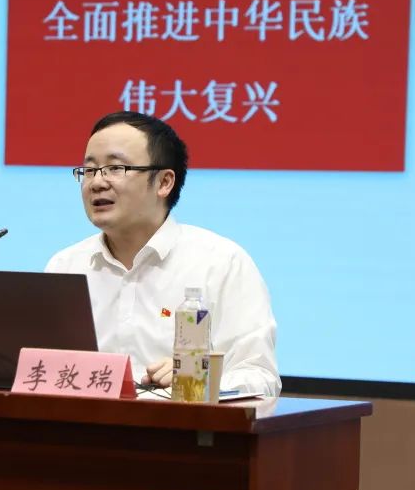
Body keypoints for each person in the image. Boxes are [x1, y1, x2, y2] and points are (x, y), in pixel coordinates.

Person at [45, 111, 281, 397]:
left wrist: (198, 379)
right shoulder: (66, 266)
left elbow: (260, 377)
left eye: (115, 168)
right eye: (90, 170)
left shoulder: (220, 263)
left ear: (164, 182)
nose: (96, 183)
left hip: (181, 424)